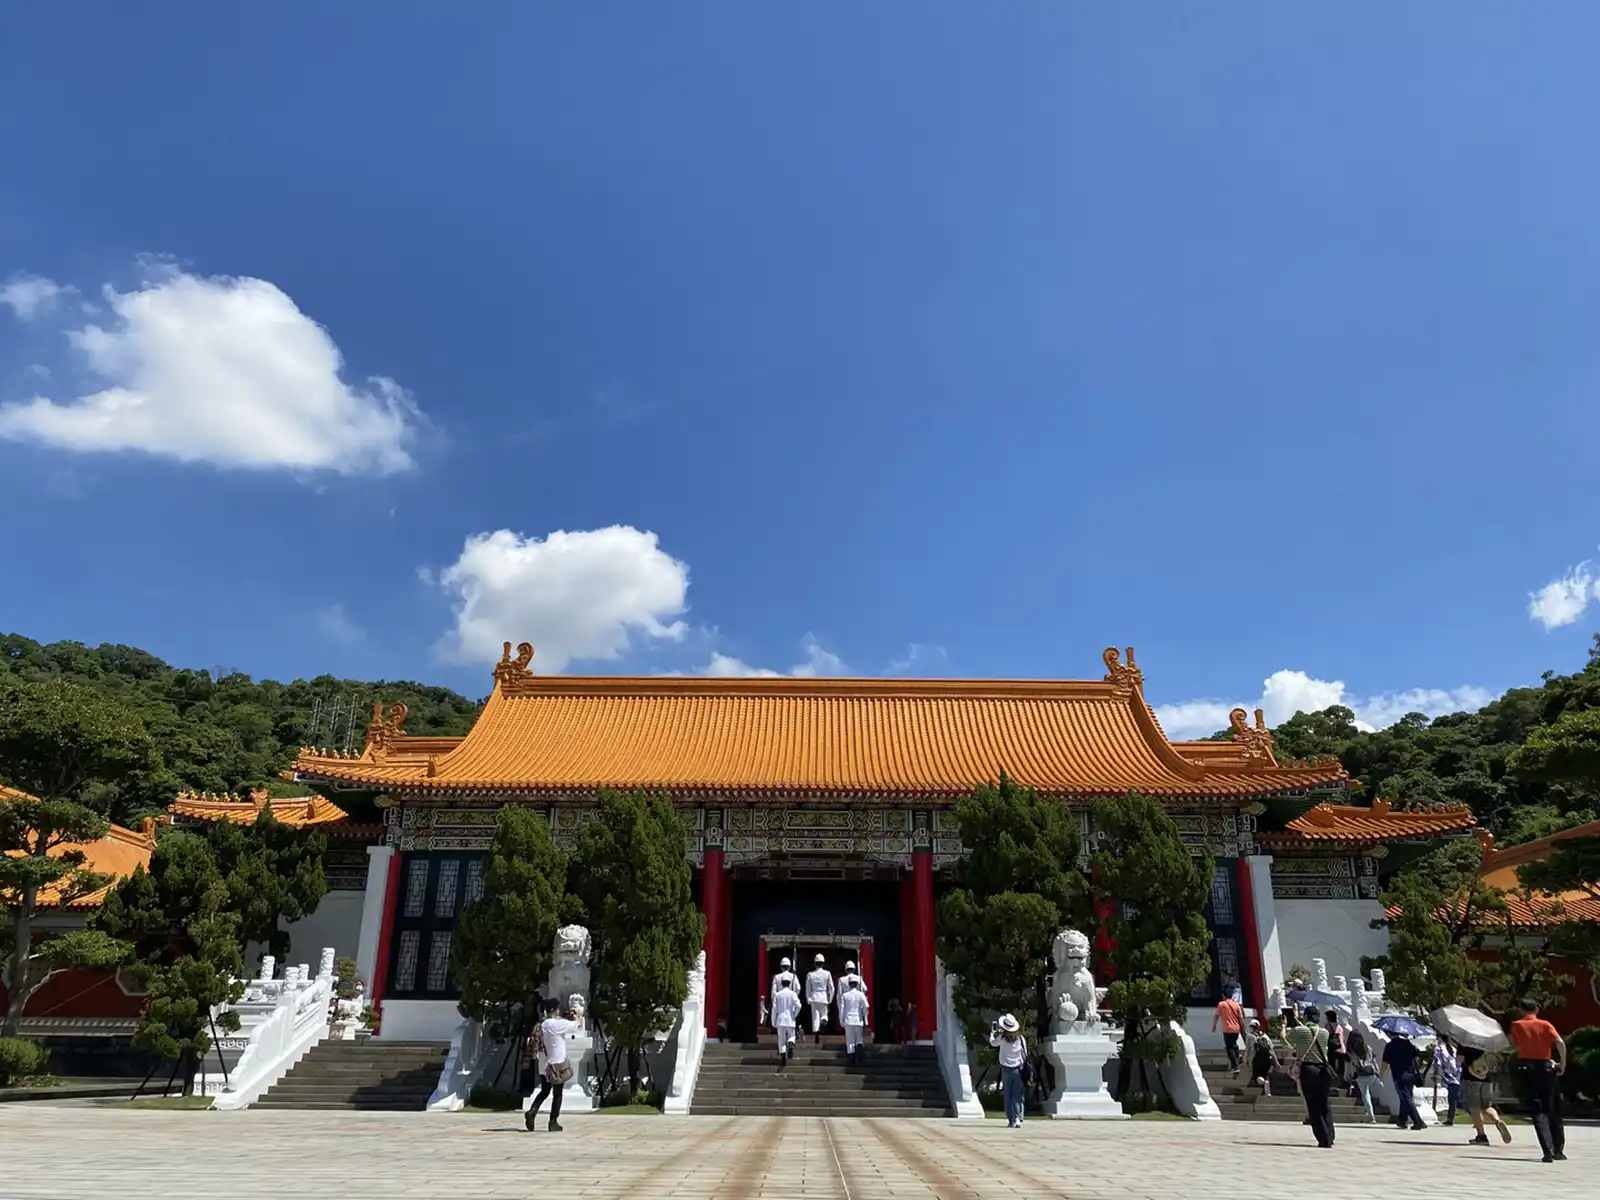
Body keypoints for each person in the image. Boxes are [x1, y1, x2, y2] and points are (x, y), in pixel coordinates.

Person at [1509, 997, 1568, 1163]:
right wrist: (1561, 1064)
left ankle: (1547, 1150)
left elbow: (1513, 1044)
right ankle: (1559, 1150)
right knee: (1553, 1108)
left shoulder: (1516, 1025)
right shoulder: (1545, 1025)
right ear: (1536, 1010)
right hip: (1546, 1066)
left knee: (1537, 1110)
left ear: (1521, 1009)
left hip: (1526, 1067)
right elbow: (1560, 1043)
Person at [524, 997, 581, 1133]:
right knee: (558, 1094)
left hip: (545, 1064)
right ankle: (553, 1122)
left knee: (544, 1091)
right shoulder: (557, 1024)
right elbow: (575, 1025)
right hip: (558, 1064)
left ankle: (532, 1111)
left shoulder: (543, 1024)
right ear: (555, 1009)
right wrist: (575, 1016)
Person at [1285, 1003, 1335, 1148]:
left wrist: (1283, 1029)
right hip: (1323, 1070)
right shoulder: (1324, 1032)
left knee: (1313, 1105)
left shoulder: (1300, 1030)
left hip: (1308, 1069)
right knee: (1324, 1104)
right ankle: (1330, 1135)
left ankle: (1323, 1138)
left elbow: (1286, 1041)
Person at [1459, 1043, 1512, 1147]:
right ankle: (1497, 1120)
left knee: (1475, 1108)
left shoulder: (1465, 1043)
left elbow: (1459, 1060)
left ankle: (1481, 1136)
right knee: (1487, 1106)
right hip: (1487, 1078)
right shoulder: (1488, 1042)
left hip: (1471, 1079)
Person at [1380, 1029, 1425, 1131]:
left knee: (1406, 1099)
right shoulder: (1407, 1043)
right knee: (1405, 1098)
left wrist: (1381, 1075)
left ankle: (1418, 1121)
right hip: (1411, 1075)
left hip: (1399, 1075)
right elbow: (1417, 1057)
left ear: (1389, 1034)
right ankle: (1402, 1120)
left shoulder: (1390, 1046)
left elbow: (1385, 1064)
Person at [990, 1013, 1028, 1128]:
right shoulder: (1020, 1039)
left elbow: (992, 1043)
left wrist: (992, 1034)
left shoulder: (1001, 1039)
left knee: (1008, 1094)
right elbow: (1025, 1054)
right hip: (1018, 1069)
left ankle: (1011, 1119)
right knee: (1016, 1095)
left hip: (1006, 1069)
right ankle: (1017, 1117)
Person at [805, 953, 836, 1044]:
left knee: (815, 1017)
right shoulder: (827, 973)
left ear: (815, 963)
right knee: (824, 1013)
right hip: (823, 997)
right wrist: (830, 998)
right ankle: (824, 1019)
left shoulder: (810, 974)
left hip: (814, 997)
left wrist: (808, 998)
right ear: (823, 963)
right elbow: (831, 987)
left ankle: (816, 1032)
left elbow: (808, 988)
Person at [771, 976, 801, 1070]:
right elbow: (799, 1005)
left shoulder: (777, 994)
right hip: (790, 1019)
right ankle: (791, 1042)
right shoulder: (792, 994)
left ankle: (783, 1053)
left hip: (780, 1019)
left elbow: (774, 1009)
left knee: (781, 1038)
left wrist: (773, 1020)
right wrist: (794, 1014)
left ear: (781, 983)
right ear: (789, 983)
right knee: (791, 1035)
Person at [1432, 1036, 1462, 1126]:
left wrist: (1437, 1076)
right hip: (1457, 1075)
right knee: (1454, 1098)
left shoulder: (1439, 1048)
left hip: (1449, 1076)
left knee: (1452, 1099)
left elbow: (1437, 1063)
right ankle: (1450, 1118)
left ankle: (1450, 1119)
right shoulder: (1453, 1048)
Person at [1350, 1031, 1380, 1123]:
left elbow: (1354, 1064)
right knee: (1367, 1092)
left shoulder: (1353, 1051)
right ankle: (1368, 1110)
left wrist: (1351, 1075)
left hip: (1361, 1075)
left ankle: (1371, 1116)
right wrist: (1377, 1071)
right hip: (1371, 1073)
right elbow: (1373, 1060)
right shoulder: (1367, 1047)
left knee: (1365, 1094)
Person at [1213, 991, 1245, 1076]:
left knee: (1229, 1048)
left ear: (1224, 996)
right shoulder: (1236, 1005)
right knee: (1234, 1044)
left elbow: (1216, 1016)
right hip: (1236, 1029)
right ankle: (1238, 1056)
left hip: (1227, 1029)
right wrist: (1242, 1029)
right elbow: (1241, 1019)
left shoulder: (1221, 1004)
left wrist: (1214, 1025)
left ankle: (1236, 1066)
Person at [839, 977, 869, 1064]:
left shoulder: (845, 995)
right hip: (858, 1020)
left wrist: (842, 1020)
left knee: (850, 1041)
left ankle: (851, 1059)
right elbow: (866, 1006)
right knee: (859, 1039)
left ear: (849, 984)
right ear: (856, 984)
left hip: (848, 1020)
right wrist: (865, 1018)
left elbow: (842, 1009)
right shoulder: (861, 995)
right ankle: (858, 1057)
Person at [1247, 1019, 1277, 1090]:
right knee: (1265, 1074)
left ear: (1251, 1027)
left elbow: (1248, 1050)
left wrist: (1246, 1060)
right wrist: (1276, 1062)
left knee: (1257, 1077)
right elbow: (1271, 1049)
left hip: (1257, 1059)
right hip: (1267, 1059)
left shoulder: (1250, 1036)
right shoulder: (1265, 1035)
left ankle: (1263, 1082)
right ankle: (1267, 1090)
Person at [1324, 1010, 1349, 1085]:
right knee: (1341, 1066)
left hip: (1332, 1049)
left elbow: (1326, 1037)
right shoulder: (1340, 1027)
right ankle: (1341, 1080)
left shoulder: (1327, 1026)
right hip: (1342, 1048)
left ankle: (1332, 1082)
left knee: (1332, 1065)